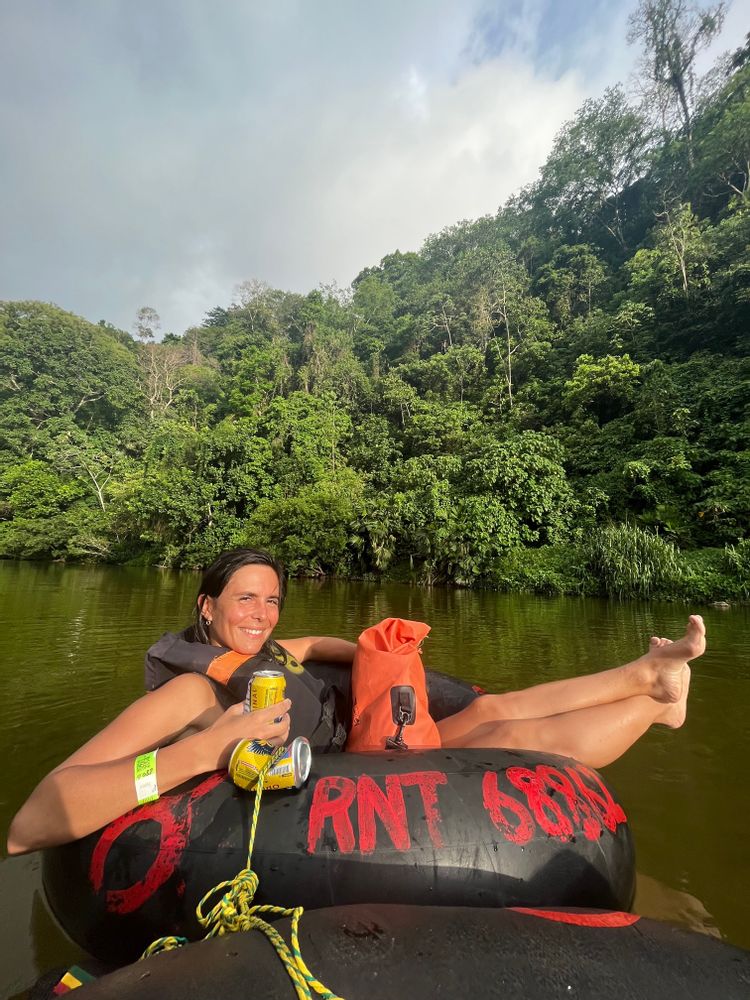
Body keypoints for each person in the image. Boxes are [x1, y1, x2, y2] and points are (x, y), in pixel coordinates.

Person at [7, 547, 705, 856]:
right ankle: (653, 699)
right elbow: (30, 823)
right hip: (355, 773)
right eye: (244, 599)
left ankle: (649, 676)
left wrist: (378, 661)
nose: (261, 614)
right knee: (506, 734)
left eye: (271, 600)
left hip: (367, 737)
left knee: (492, 709)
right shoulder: (191, 689)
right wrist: (198, 753)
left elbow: (321, 644)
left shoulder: (271, 653)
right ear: (206, 606)